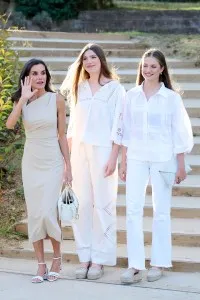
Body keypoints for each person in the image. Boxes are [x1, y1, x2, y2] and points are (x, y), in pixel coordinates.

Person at [119, 49, 193, 283]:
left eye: (153, 66)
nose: (147, 70)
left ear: (162, 69)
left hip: (163, 158)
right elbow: (125, 132)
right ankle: (135, 265)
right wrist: (123, 161)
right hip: (137, 158)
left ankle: (159, 263)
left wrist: (181, 165)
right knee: (132, 210)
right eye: (145, 65)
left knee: (161, 211)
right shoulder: (131, 96)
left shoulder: (171, 98)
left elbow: (179, 132)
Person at [60, 43, 125, 280]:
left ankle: (100, 259)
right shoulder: (79, 88)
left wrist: (114, 157)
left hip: (103, 151)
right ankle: (84, 256)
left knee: (103, 204)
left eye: (93, 57)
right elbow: (71, 127)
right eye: (85, 59)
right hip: (78, 151)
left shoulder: (115, 89)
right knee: (83, 204)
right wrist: (67, 163)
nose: (89, 62)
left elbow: (120, 125)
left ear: (101, 60)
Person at [6, 58, 72, 283]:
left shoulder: (57, 99)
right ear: (27, 77)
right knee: (35, 213)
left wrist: (68, 166)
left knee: (48, 212)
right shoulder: (22, 100)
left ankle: (57, 259)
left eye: (43, 73)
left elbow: (62, 135)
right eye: (34, 73)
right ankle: (40, 265)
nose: (40, 77)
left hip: (52, 160)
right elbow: (9, 124)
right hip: (31, 161)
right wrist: (23, 98)